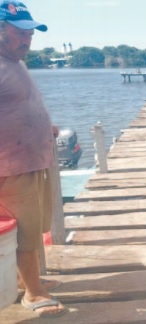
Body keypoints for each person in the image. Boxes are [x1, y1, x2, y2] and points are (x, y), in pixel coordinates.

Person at [0, 0, 67, 318]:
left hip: (32, 159)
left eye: (30, 32)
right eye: (19, 32)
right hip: (12, 164)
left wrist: (45, 126)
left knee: (33, 227)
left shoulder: (14, 62)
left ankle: (25, 279)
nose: (27, 39)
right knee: (24, 231)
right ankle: (33, 293)